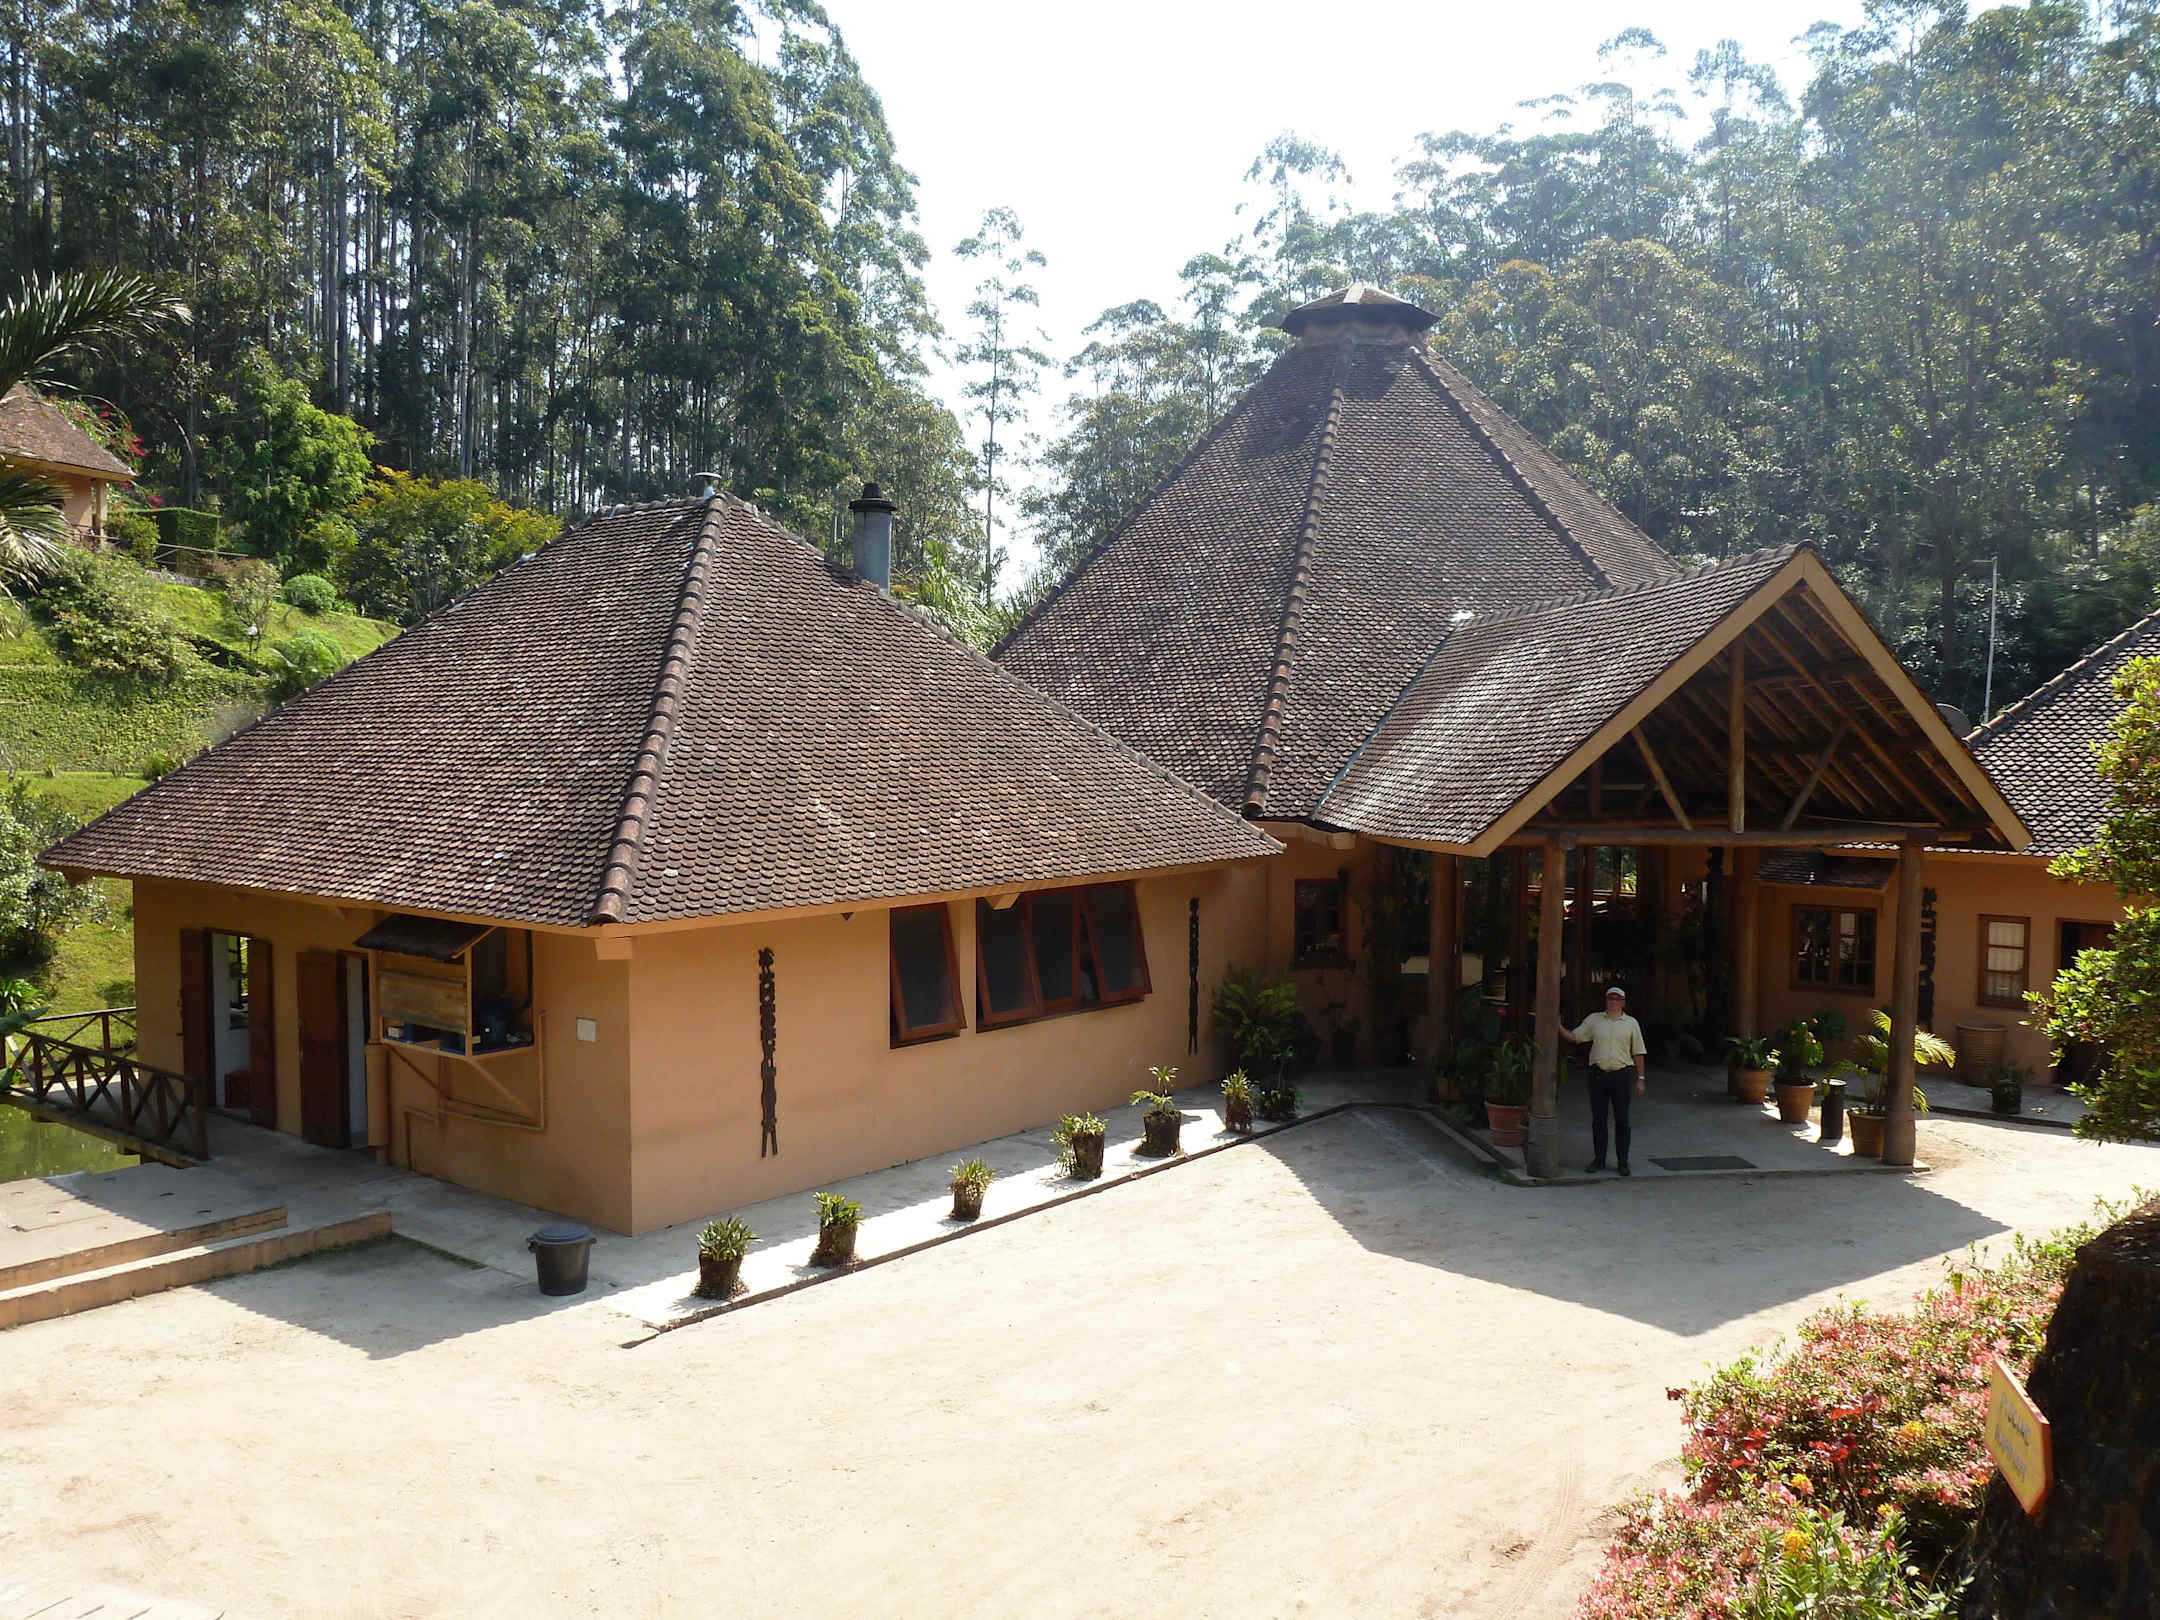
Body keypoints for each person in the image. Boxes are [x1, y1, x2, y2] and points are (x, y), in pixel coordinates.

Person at [1557, 986, 1647, 1175]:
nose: (1613, 1002)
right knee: (1599, 1120)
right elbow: (1575, 1037)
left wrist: (1641, 1078)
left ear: (1623, 1002)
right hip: (1598, 1075)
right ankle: (1599, 1160)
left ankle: (1623, 1162)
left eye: (1617, 999)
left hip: (1621, 1075)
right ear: (1606, 1001)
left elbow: (1638, 1052)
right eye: (1610, 998)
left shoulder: (1631, 1023)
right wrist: (1559, 1027)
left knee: (1622, 1120)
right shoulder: (1594, 1020)